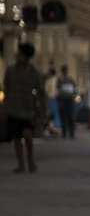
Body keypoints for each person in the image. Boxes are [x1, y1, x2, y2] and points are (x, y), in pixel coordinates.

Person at [2, 43, 48, 173]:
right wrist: (3, 108)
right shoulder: (10, 71)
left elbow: (42, 92)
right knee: (16, 136)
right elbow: (7, 89)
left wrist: (45, 111)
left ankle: (30, 157)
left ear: (26, 56)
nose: (17, 55)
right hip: (13, 107)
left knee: (27, 133)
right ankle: (21, 163)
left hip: (28, 108)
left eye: (20, 53)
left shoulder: (35, 73)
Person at [56, 65, 77, 138]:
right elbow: (57, 91)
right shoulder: (60, 80)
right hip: (62, 100)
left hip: (69, 100)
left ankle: (71, 132)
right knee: (63, 116)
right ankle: (64, 132)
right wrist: (58, 101)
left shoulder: (70, 80)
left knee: (70, 116)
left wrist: (74, 96)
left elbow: (75, 89)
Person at [45, 67, 61, 134]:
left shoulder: (49, 80)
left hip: (51, 98)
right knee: (56, 112)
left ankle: (53, 127)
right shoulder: (58, 79)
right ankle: (57, 126)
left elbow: (46, 90)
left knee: (51, 113)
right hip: (56, 98)